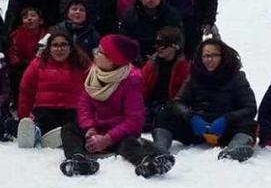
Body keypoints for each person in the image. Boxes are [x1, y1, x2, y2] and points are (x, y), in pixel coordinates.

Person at [59, 35, 175, 178]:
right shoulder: (93, 73)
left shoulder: (130, 82)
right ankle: (78, 159)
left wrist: (107, 138)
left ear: (112, 60)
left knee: (129, 144)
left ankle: (147, 161)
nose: (95, 52)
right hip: (95, 130)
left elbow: (134, 121)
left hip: (118, 134)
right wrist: (90, 128)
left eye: (100, 52)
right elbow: (84, 105)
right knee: (69, 129)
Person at [151, 39, 257, 162]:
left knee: (248, 124)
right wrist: (191, 117)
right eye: (206, 56)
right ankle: (159, 149)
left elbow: (250, 107)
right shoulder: (194, 76)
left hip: (226, 129)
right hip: (198, 127)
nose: (210, 60)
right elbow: (178, 102)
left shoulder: (236, 77)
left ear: (223, 56)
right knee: (165, 114)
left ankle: (235, 149)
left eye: (214, 55)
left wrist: (227, 118)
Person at [16, 29, 91, 148]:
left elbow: (92, 91)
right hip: (45, 108)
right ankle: (35, 134)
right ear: (49, 48)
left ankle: (58, 137)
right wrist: (23, 116)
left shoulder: (82, 65)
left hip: (72, 109)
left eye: (63, 45)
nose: (59, 49)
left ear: (70, 48)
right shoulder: (38, 64)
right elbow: (26, 91)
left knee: (71, 125)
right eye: (55, 45)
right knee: (44, 120)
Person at [120, 0, 183, 64]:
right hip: (136, 61)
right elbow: (124, 42)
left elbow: (179, 42)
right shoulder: (129, 15)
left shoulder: (172, 15)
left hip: (164, 61)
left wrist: (162, 54)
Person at [140, 27, 190, 133]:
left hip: (169, 106)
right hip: (150, 104)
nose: (158, 48)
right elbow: (141, 86)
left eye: (162, 44)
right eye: (157, 43)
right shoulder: (152, 64)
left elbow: (183, 95)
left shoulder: (184, 67)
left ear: (174, 46)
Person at [7, 7, 47, 109]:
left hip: (41, 67)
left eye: (33, 16)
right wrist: (17, 63)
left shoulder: (46, 36)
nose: (29, 19)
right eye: (25, 17)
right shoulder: (16, 35)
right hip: (21, 68)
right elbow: (12, 52)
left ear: (41, 20)